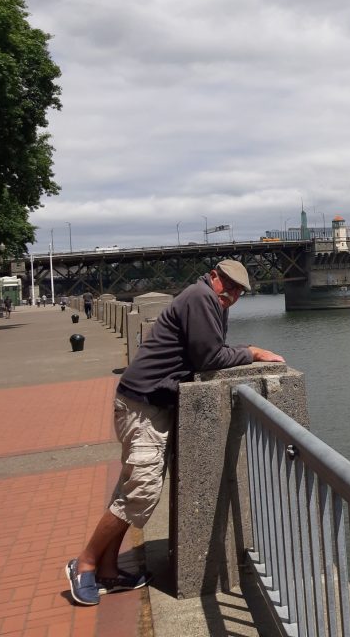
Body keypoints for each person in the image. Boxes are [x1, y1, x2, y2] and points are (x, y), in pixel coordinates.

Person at [65, 260, 284, 606]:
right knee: (141, 492)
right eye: (228, 285)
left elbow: (206, 351)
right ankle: (84, 564)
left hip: (146, 404)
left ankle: (107, 568)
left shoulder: (208, 300)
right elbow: (209, 358)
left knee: (132, 490)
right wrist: (252, 352)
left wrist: (239, 350)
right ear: (213, 276)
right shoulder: (201, 297)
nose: (232, 294)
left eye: (239, 291)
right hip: (143, 407)